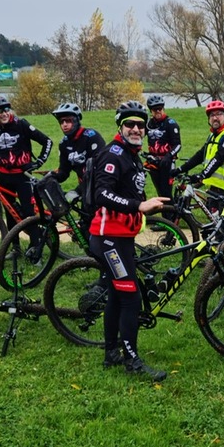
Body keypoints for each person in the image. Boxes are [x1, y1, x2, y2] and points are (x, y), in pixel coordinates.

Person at [89, 100, 171, 381]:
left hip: (121, 237)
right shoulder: (113, 154)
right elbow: (102, 194)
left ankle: (111, 353)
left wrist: (147, 201)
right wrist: (139, 206)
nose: (136, 129)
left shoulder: (131, 154)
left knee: (117, 295)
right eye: (130, 124)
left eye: (140, 125)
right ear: (120, 126)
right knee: (131, 298)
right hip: (108, 239)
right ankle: (131, 360)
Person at [0, 95, 53, 221]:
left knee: (29, 214)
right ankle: (14, 235)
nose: (4, 114)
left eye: (7, 109)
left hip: (22, 175)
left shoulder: (21, 124)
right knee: (10, 214)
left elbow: (47, 141)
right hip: (3, 176)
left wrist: (38, 162)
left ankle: (36, 234)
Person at [177, 99, 224, 216]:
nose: (215, 118)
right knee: (214, 222)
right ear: (208, 119)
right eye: (212, 115)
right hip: (214, 188)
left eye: (219, 114)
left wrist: (202, 175)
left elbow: (219, 158)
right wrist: (180, 169)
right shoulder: (213, 136)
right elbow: (200, 156)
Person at [48, 101, 104, 221]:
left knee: (97, 223)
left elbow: (99, 169)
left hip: (100, 187)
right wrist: (51, 176)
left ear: (77, 120)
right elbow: (64, 172)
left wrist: (78, 191)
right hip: (85, 189)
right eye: (61, 122)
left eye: (68, 121)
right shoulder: (64, 143)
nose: (64, 125)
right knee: (85, 223)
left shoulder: (92, 137)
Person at [144, 94, 182, 204]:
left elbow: (178, 145)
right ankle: (167, 212)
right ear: (151, 111)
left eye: (160, 109)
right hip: (154, 162)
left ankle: (171, 213)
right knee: (160, 192)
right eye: (155, 110)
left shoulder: (170, 123)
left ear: (163, 108)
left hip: (167, 163)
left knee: (166, 193)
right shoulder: (148, 124)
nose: (158, 112)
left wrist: (168, 156)